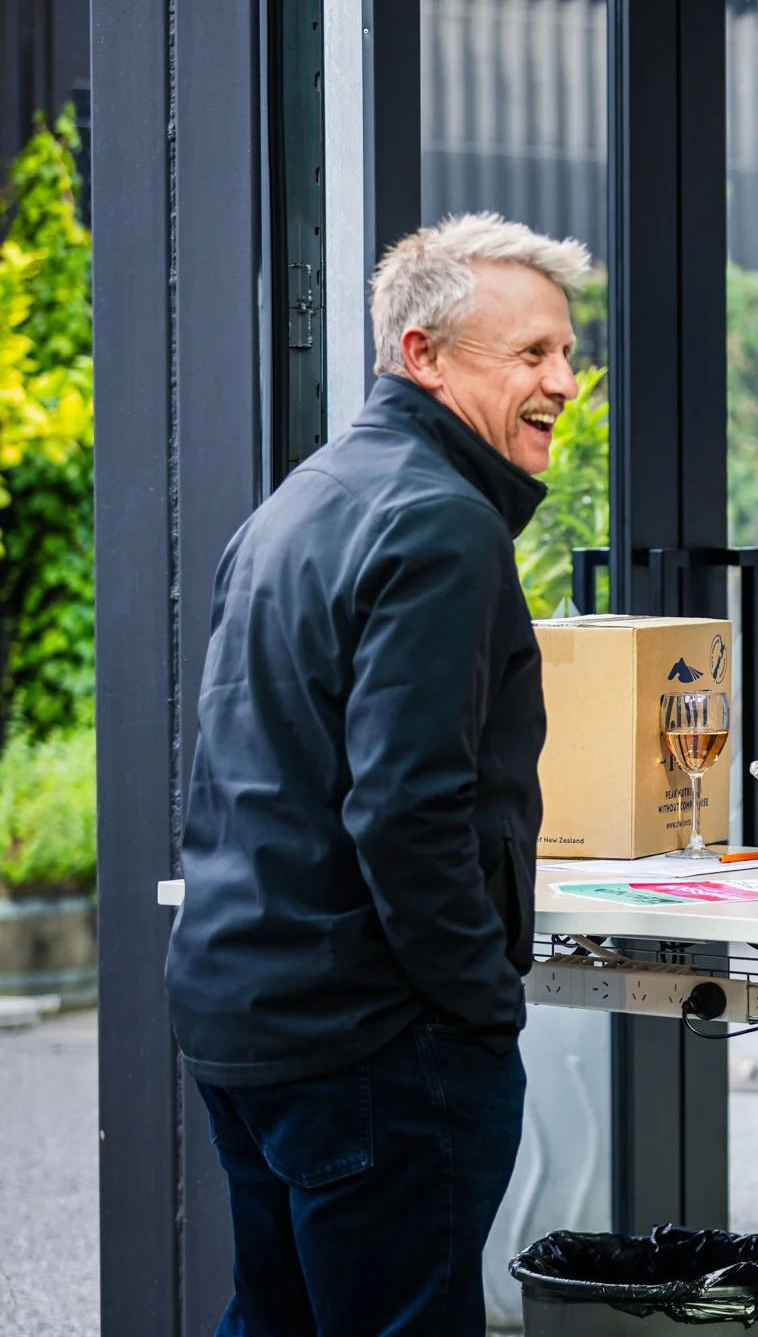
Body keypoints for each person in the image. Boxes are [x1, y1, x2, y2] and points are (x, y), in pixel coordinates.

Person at [165, 213, 588, 1335]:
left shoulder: (303, 498)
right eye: (529, 354)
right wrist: (480, 1003)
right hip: (374, 1037)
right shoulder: (441, 522)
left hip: (248, 1008)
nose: (562, 380)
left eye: (565, 351)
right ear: (422, 354)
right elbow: (405, 811)